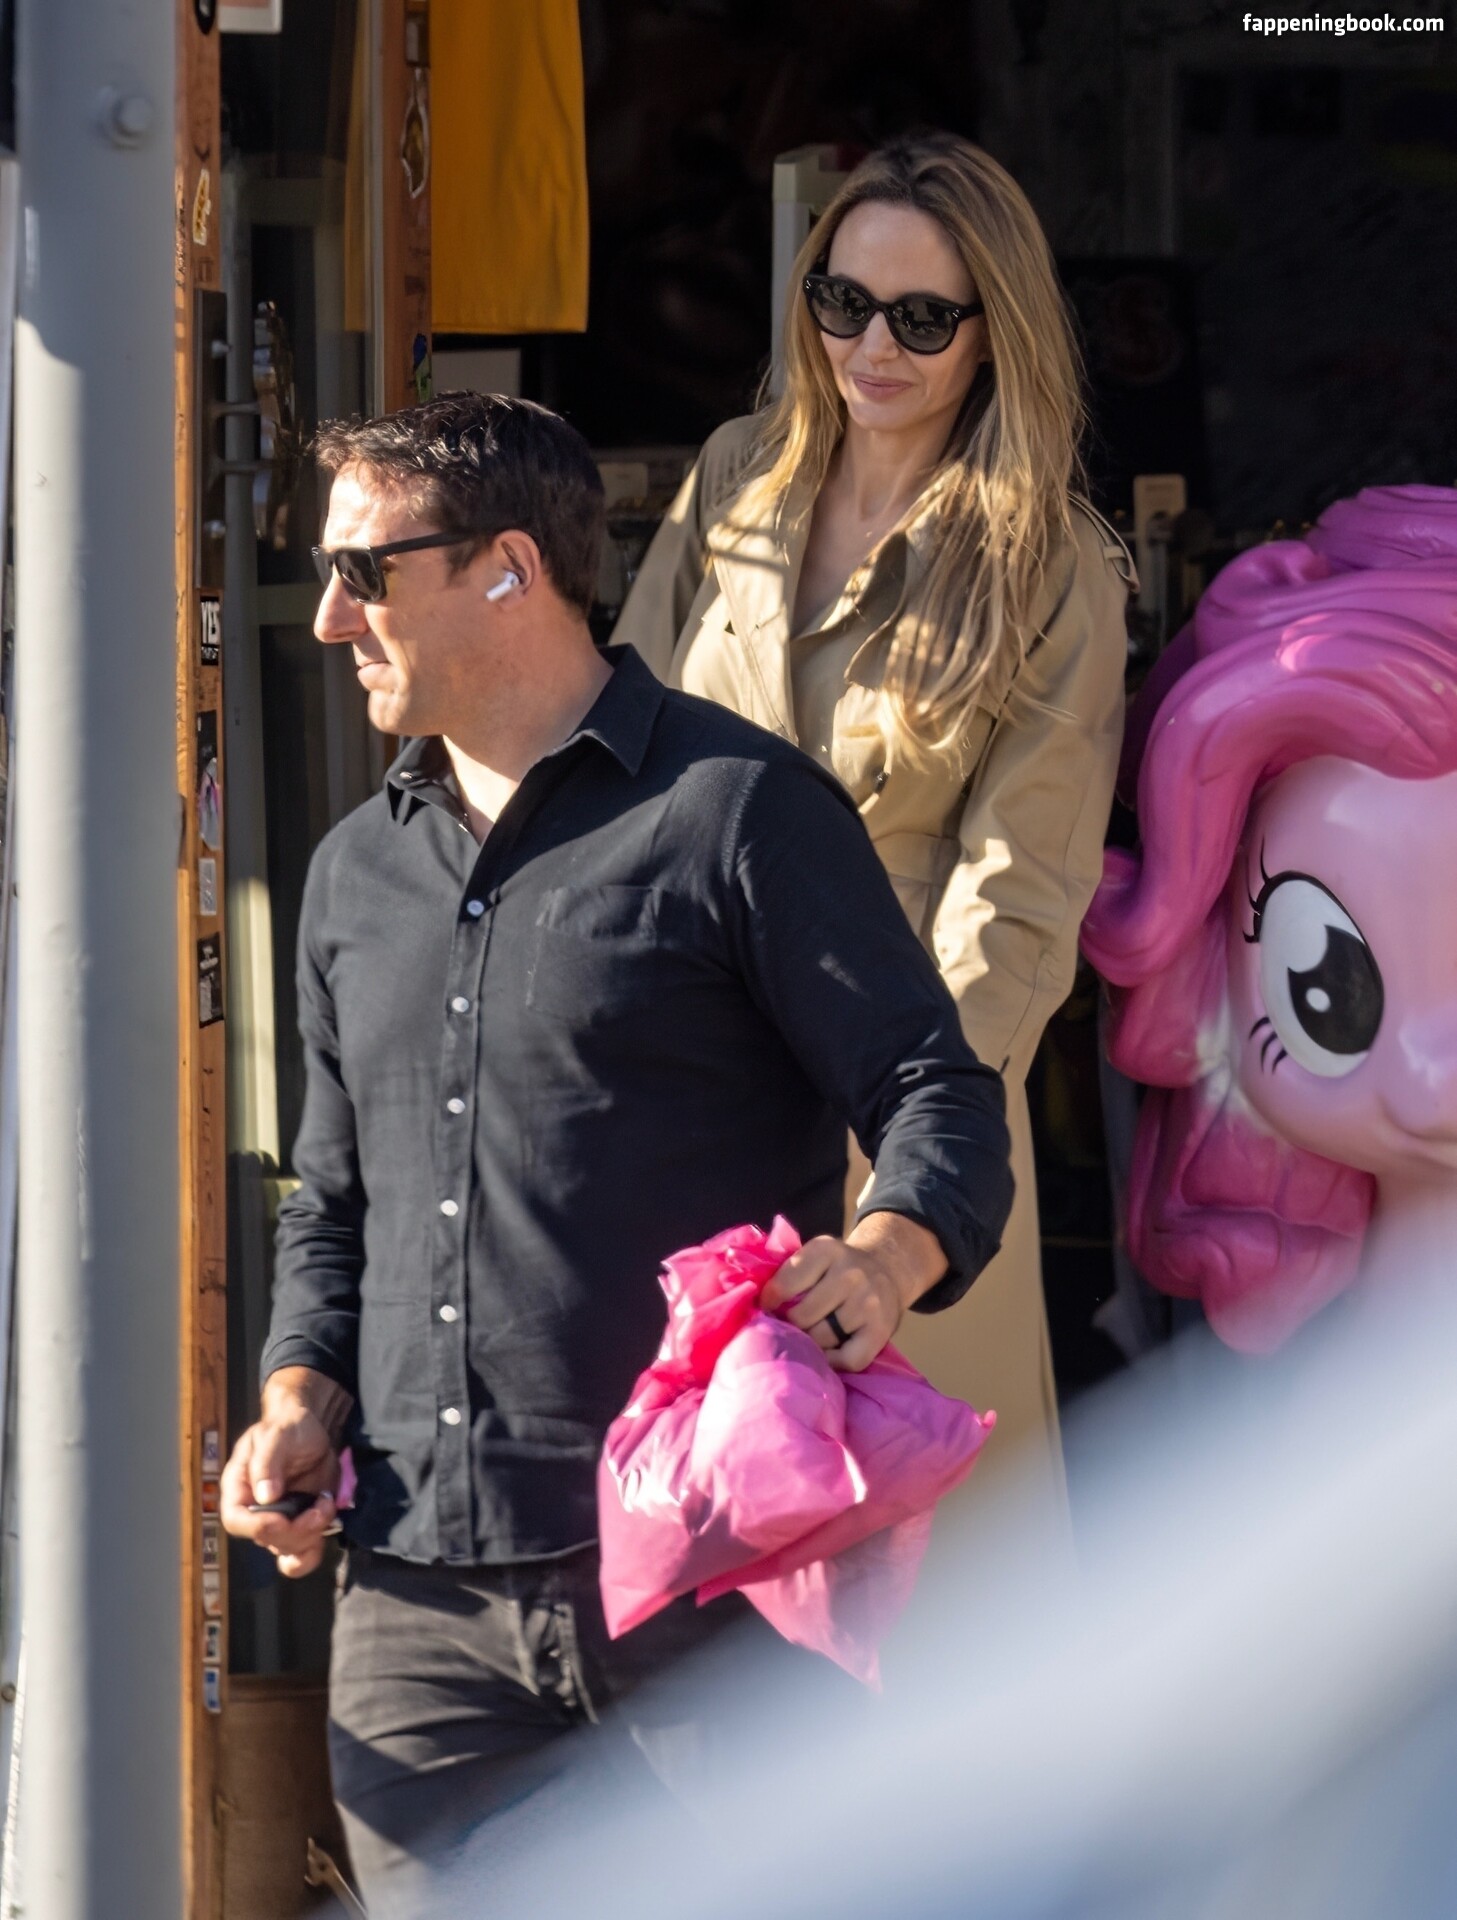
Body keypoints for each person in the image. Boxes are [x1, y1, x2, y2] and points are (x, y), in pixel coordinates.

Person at [218, 390, 1013, 1913]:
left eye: (366, 572)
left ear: (509, 569)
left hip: (709, 1582)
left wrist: (884, 1256)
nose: (329, 619)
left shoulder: (736, 812)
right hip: (420, 1611)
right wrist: (299, 1396)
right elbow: (335, 1203)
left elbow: (936, 1093)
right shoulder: (353, 873)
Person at [613, 132, 1134, 1550]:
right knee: (692, 1531)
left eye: (920, 318)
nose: (872, 348)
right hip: (693, 1057)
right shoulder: (736, 478)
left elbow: (1019, 895)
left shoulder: (1052, 561)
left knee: (926, 1565)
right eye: (842, 304)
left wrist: (919, 1162)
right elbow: (619, 748)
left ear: (994, 329)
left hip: (902, 1085)